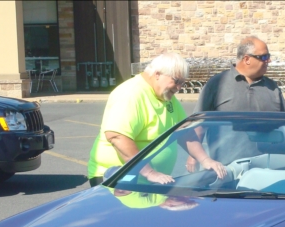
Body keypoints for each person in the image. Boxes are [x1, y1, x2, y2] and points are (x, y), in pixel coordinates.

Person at [87, 53, 225, 187]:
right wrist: (149, 172)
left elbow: (186, 132)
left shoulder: (165, 96)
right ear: (157, 74)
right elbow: (117, 136)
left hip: (146, 181)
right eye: (176, 81)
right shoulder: (131, 94)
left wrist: (205, 160)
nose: (179, 88)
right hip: (116, 179)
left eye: (182, 83)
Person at [186, 36, 285, 169]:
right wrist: (194, 156)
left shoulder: (272, 88)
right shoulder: (217, 84)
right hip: (226, 169)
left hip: (266, 168)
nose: (268, 60)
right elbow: (199, 124)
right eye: (264, 57)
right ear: (246, 59)